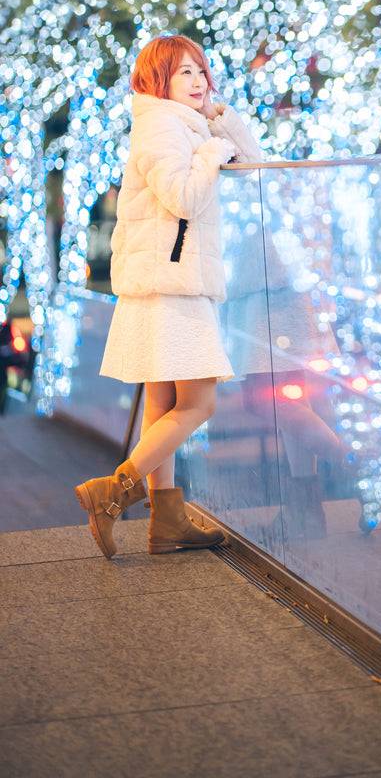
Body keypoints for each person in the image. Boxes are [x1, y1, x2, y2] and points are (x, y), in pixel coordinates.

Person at [75, 34, 261, 559]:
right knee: (199, 403)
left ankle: (168, 521)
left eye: (202, 71)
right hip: (172, 284)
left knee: (162, 405)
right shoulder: (159, 125)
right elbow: (182, 195)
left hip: (167, 279)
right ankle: (113, 493)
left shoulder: (186, 123)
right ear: (158, 81)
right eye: (185, 73)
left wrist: (219, 122)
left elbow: (254, 158)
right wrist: (211, 149)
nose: (199, 81)